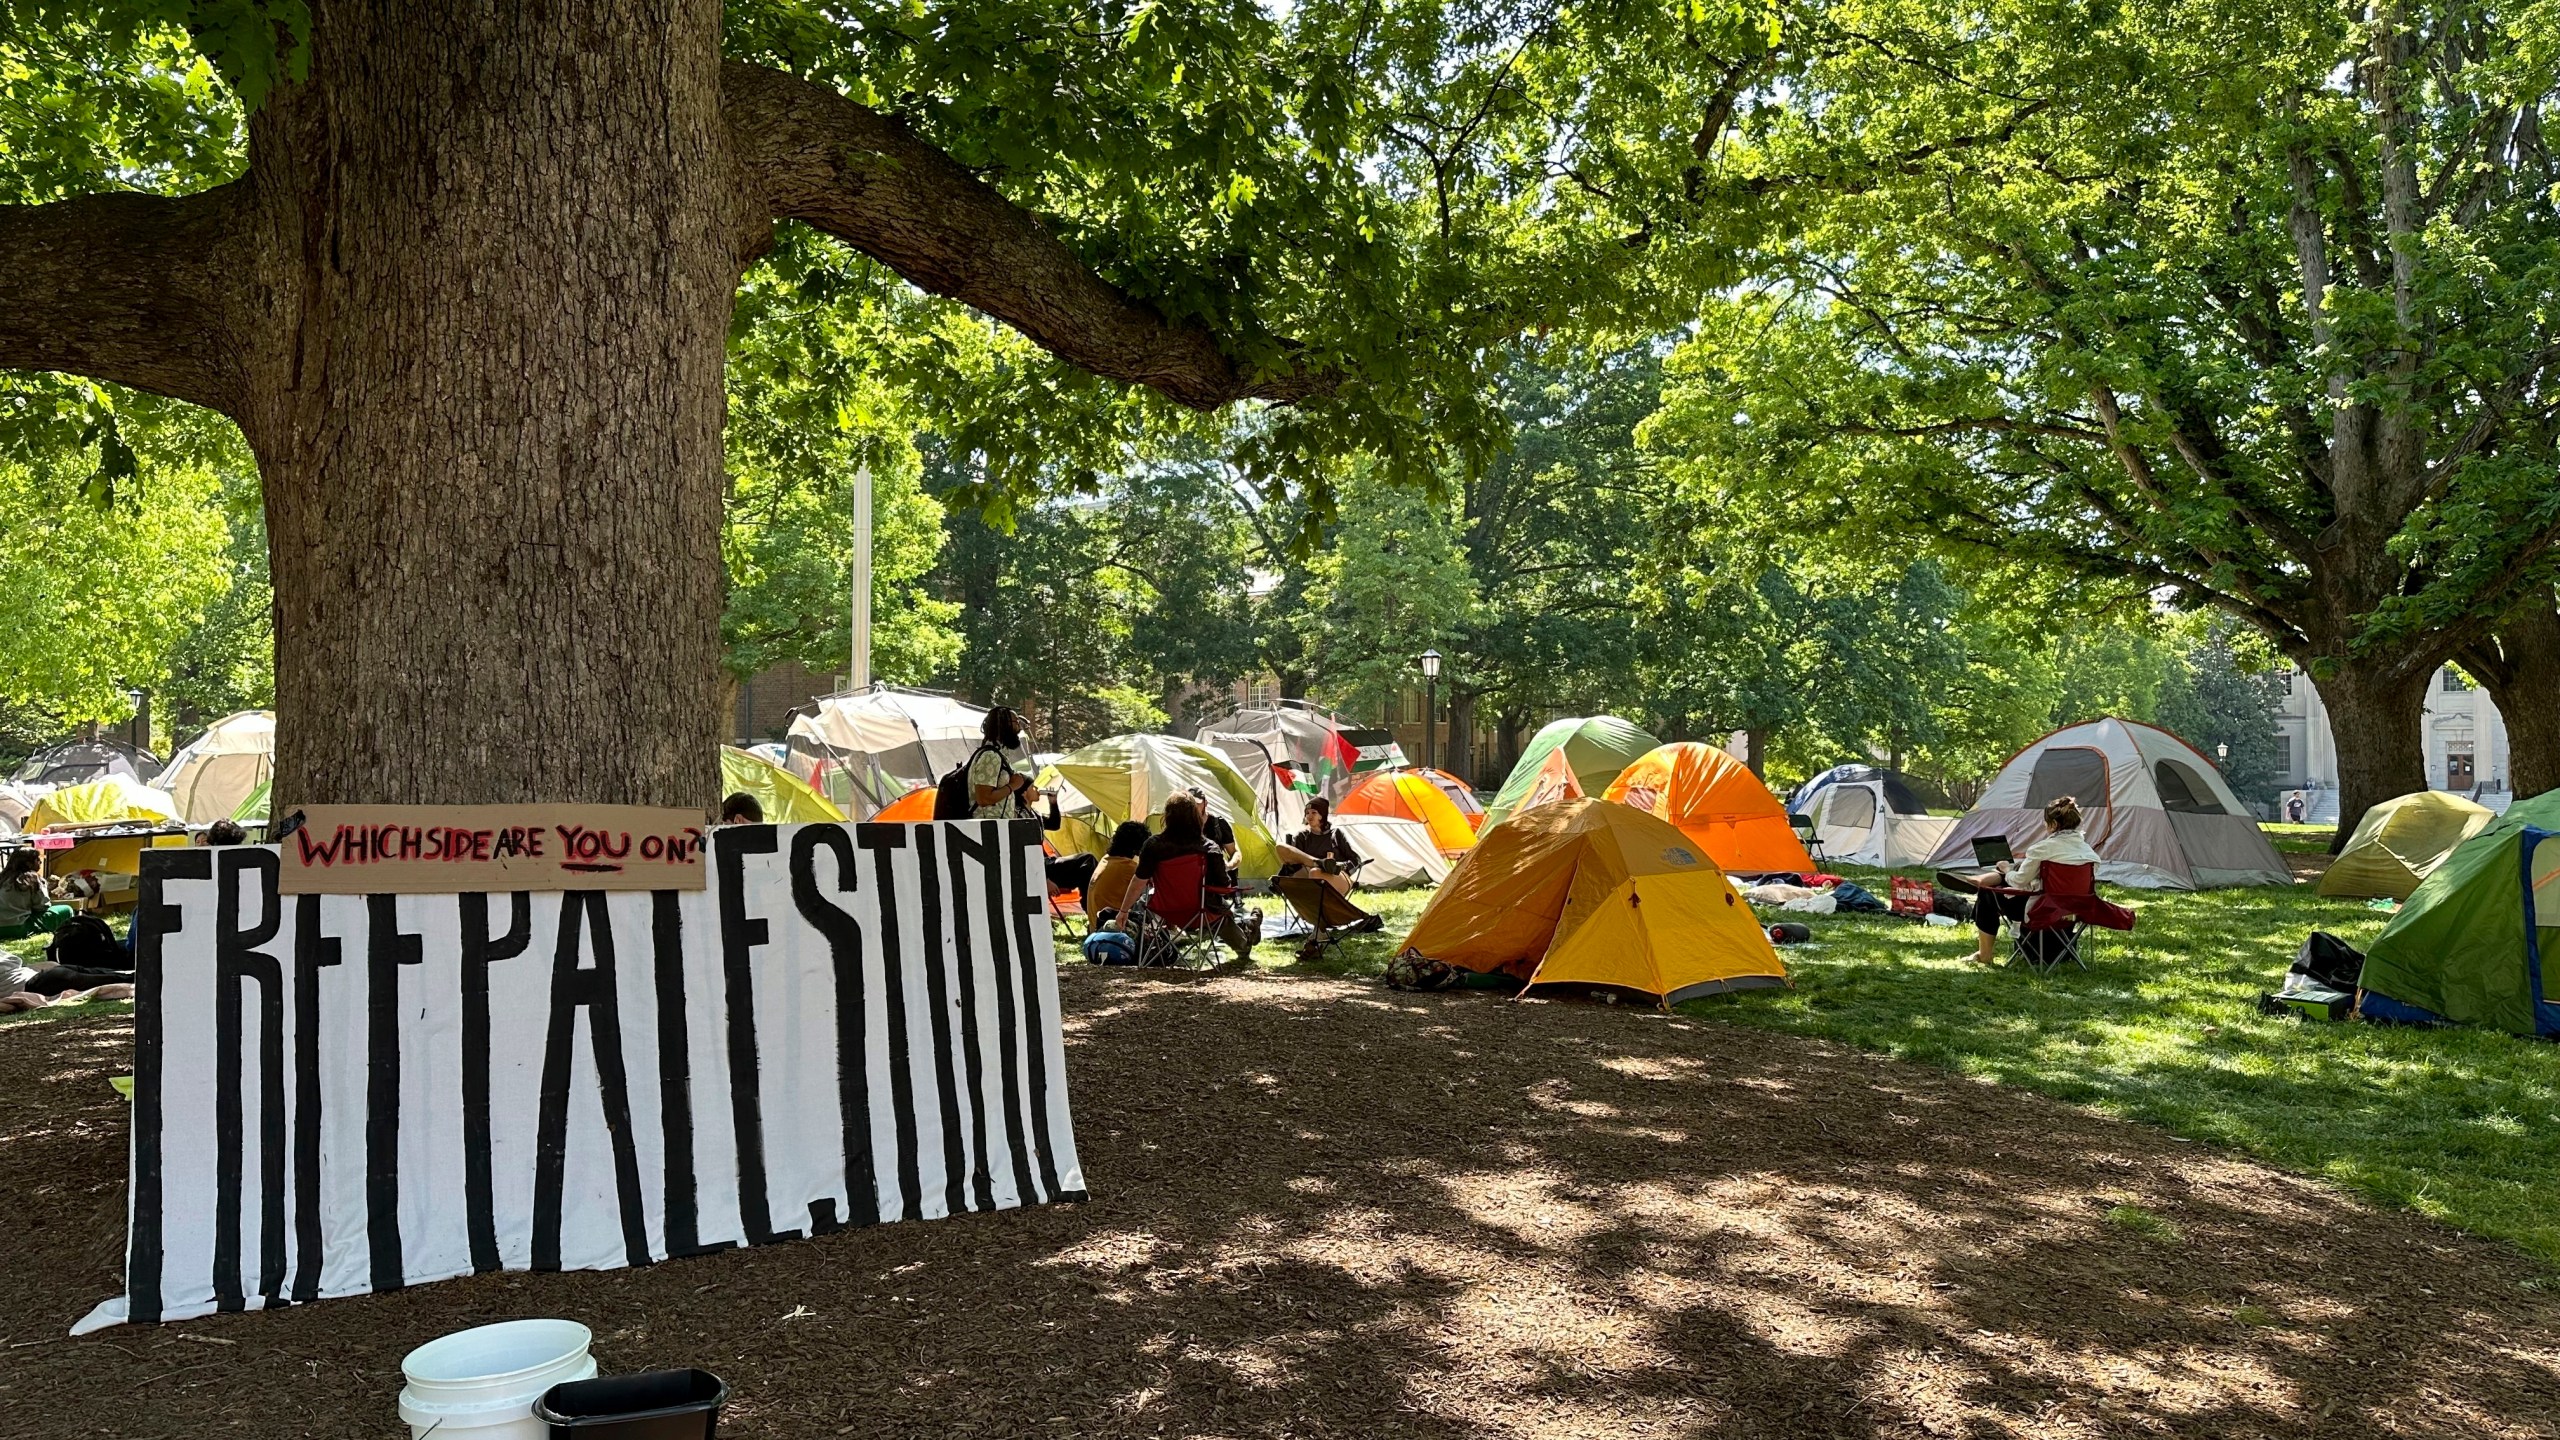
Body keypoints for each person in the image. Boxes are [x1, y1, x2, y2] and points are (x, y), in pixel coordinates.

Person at [1971, 795, 2102, 964]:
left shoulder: (2041, 849)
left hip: (2041, 910)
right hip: (2075, 913)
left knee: (1986, 895)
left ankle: (1984, 955)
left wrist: (2007, 869)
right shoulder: (2090, 854)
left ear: (2053, 825)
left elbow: (2018, 881)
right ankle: (1980, 880)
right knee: (2023, 882)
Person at [1136, 795, 1261, 962]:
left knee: (1216, 907)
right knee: (1220, 909)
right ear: (1196, 817)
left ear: (1166, 817)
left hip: (1165, 910)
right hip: (1201, 911)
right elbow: (1224, 885)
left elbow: (1139, 879)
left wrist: (1123, 911)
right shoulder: (1208, 847)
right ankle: (1246, 939)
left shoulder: (1152, 845)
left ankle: (1248, 926)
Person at [969, 707, 1043, 820]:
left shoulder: (998, 755)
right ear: (1004, 725)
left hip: (999, 826)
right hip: (989, 828)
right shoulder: (990, 757)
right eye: (1016, 722)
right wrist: (1013, 785)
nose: (1019, 728)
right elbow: (983, 799)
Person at [1085, 821, 1150, 928]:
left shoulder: (1106, 859)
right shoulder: (1128, 867)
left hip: (1096, 926)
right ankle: (1169, 931)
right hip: (1114, 926)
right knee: (1153, 893)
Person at [0, 849, 71, 942]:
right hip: (19, 928)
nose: (40, 862)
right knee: (66, 910)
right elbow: (43, 906)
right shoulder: (32, 879)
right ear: (28, 864)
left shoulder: (2, 878)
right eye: (37, 860)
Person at [1189, 787, 1239, 866]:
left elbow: (1234, 853)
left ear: (1205, 803)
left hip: (1214, 874)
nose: (1194, 807)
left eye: (1197, 804)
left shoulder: (1218, 824)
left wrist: (1229, 866)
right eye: (1190, 804)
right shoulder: (1181, 825)